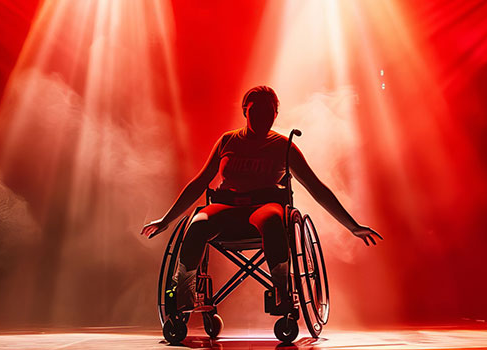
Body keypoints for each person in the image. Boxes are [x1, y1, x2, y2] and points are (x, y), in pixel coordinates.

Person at [140, 85, 381, 314]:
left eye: (268, 112)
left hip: (264, 206)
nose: (262, 118)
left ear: (275, 114)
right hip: (227, 206)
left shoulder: (282, 146)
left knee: (273, 221)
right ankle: (184, 290)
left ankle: (281, 289)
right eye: (255, 111)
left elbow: (316, 187)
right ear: (245, 110)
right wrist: (167, 219)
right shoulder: (228, 141)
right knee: (197, 223)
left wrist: (352, 226)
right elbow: (199, 183)